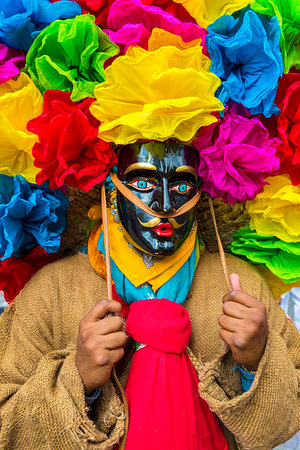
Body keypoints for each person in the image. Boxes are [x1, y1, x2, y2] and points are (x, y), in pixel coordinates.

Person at [0, 140, 299, 450]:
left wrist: (256, 361)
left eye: (182, 186)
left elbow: (282, 423)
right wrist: (79, 377)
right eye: (143, 183)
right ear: (112, 189)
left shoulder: (239, 285)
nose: (165, 205)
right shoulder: (54, 289)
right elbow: (6, 429)